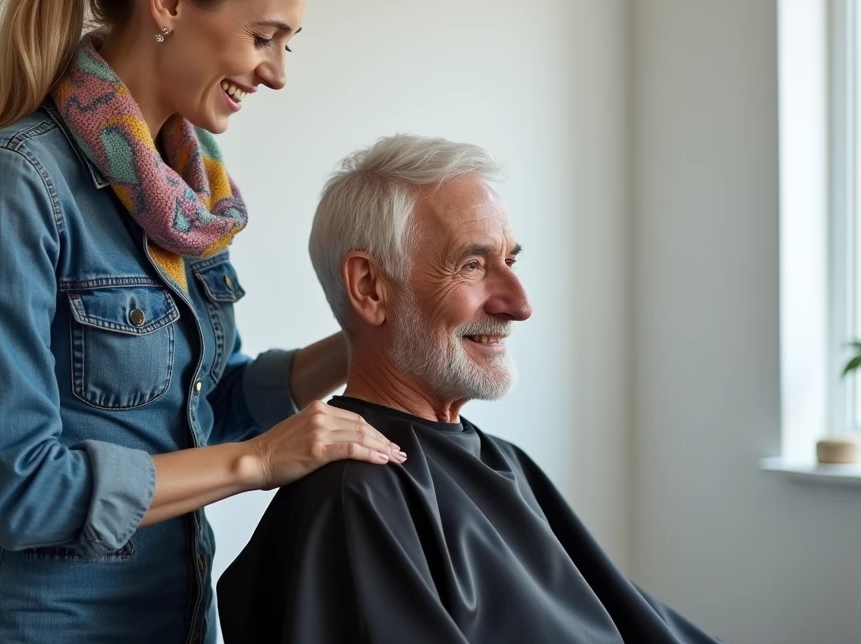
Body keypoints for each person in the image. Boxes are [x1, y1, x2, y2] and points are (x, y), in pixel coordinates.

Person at [0, 0, 406, 644]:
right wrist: (257, 461)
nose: (277, 72)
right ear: (168, 1)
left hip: (177, 616)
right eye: (264, 37)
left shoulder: (177, 199)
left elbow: (204, 406)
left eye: (288, 43)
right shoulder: (15, 185)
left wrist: (362, 344)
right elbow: (20, 488)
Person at [218, 135, 720, 644]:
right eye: (473, 265)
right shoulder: (356, 493)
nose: (520, 304)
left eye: (511, 262)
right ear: (370, 286)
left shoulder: (505, 462)